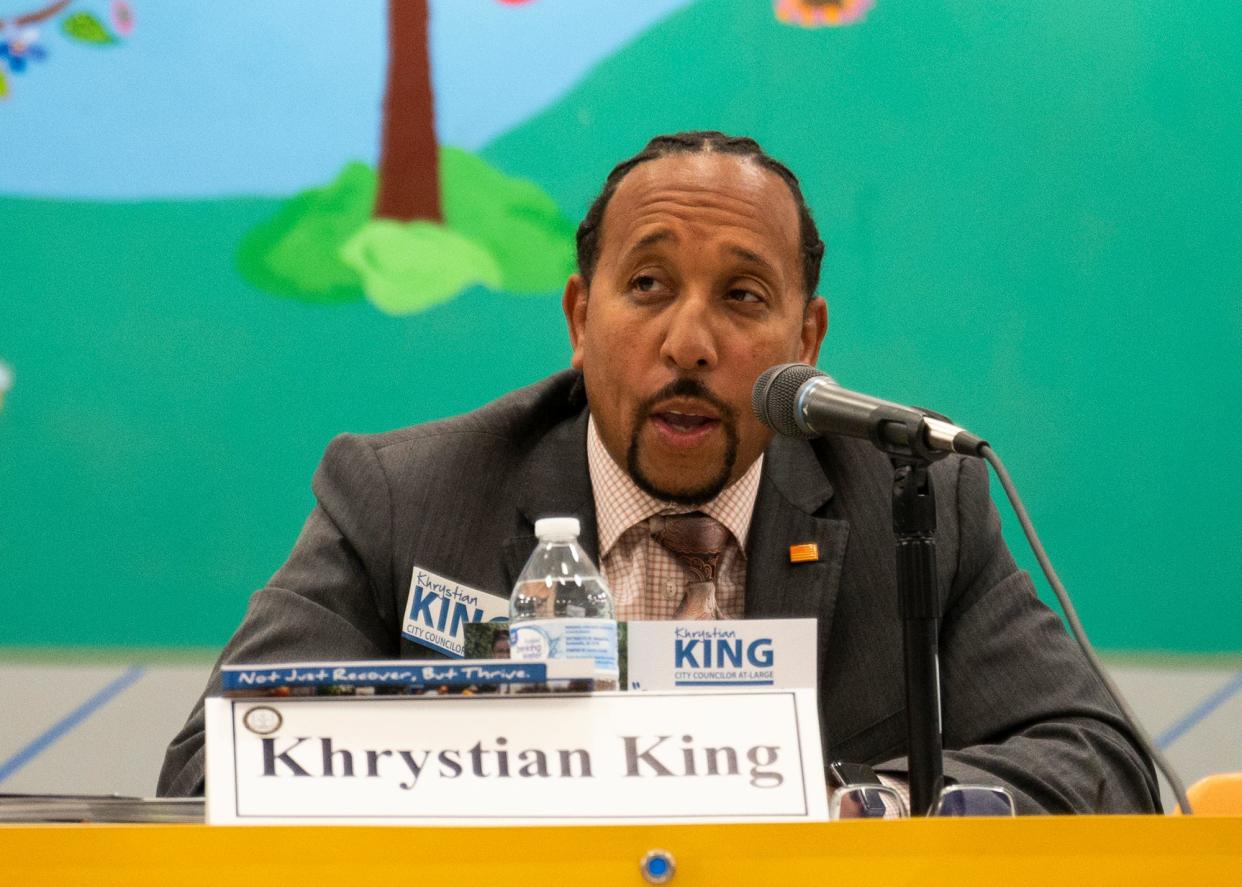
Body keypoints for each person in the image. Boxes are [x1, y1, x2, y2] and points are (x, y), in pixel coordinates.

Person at [159, 131, 1159, 813]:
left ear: (804, 339)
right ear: (579, 318)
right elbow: (213, 773)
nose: (689, 340)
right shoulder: (404, 498)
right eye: (647, 286)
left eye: (741, 295)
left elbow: (1099, 759)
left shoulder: (917, 499)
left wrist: (861, 803)